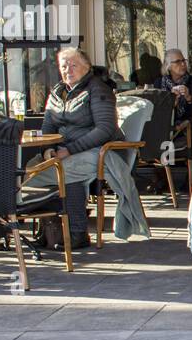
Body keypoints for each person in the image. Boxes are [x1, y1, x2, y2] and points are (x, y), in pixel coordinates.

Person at [27, 47, 124, 251]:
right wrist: (48, 149)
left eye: (73, 65)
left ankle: (76, 232)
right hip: (63, 151)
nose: (67, 70)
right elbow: (48, 127)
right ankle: (50, 229)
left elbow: (105, 129)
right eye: (63, 66)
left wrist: (69, 150)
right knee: (29, 168)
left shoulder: (98, 89)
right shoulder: (57, 92)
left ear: (87, 67)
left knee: (64, 169)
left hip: (99, 151)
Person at [153, 48, 192, 131]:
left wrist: (189, 98)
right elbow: (156, 112)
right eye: (178, 62)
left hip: (189, 132)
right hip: (164, 131)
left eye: (183, 60)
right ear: (169, 66)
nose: (183, 64)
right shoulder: (159, 83)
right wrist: (172, 103)